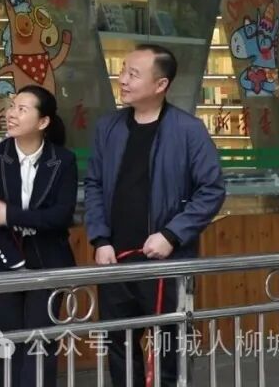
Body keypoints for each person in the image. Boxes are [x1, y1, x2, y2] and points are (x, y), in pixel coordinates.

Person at [83, 44, 225, 387]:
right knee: (119, 345)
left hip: (166, 260)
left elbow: (211, 190)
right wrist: (100, 239)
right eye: (123, 70)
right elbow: (94, 185)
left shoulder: (188, 130)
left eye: (133, 74)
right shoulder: (108, 128)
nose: (123, 79)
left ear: (160, 85)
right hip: (115, 259)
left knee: (169, 347)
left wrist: (171, 235)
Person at [0, 85, 78, 387]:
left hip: (48, 260)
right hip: (2, 260)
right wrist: (15, 259)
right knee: (7, 344)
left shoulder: (63, 160)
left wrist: (11, 215)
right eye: (12, 106)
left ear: (43, 121)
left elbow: (60, 216)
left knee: (40, 343)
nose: (12, 114)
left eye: (22, 109)